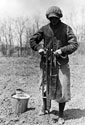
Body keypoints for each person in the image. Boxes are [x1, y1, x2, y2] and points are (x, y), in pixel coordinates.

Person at [30, 6, 78, 125]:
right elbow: (33, 40)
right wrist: (39, 48)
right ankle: (45, 108)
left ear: (59, 17)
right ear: (48, 18)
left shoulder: (66, 29)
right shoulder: (44, 29)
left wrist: (62, 50)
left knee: (63, 87)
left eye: (55, 18)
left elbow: (74, 44)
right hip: (46, 63)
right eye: (51, 18)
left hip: (61, 63)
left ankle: (61, 114)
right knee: (45, 86)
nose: (53, 20)